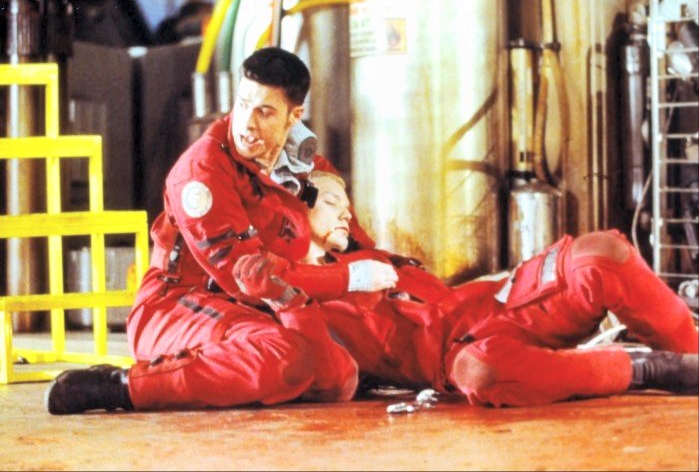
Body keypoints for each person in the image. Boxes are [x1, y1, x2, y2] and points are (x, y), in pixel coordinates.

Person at [45, 47, 399, 415]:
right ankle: (121, 387)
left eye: (264, 112)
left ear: (294, 116)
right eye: (243, 104)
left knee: (338, 373)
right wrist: (351, 278)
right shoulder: (202, 170)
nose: (247, 123)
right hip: (176, 306)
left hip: (259, 310)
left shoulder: (305, 167)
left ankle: (255, 373)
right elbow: (246, 277)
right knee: (285, 355)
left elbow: (352, 243)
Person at [233, 170, 699, 407]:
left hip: (493, 305)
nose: (346, 213)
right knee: (482, 371)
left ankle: (692, 353)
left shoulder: (365, 257)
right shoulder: (290, 305)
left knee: (601, 254)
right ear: (293, 212)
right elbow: (323, 377)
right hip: (457, 360)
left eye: (347, 204)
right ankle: (645, 369)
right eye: (333, 202)